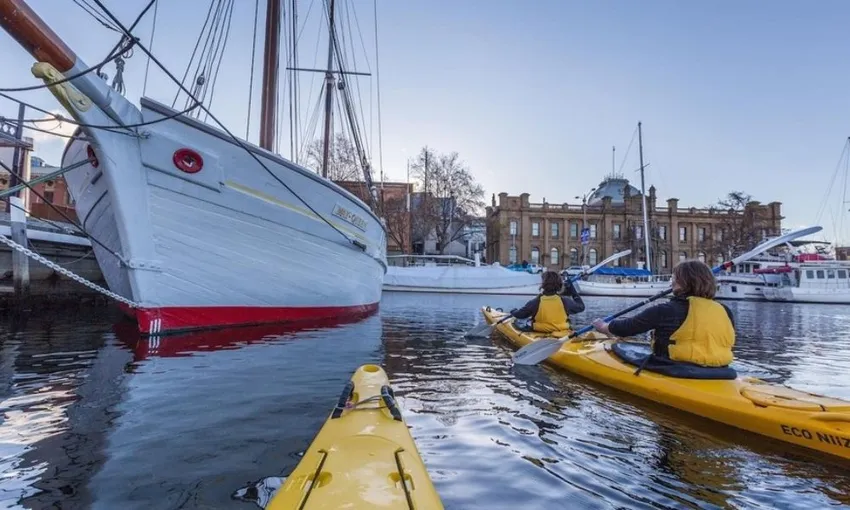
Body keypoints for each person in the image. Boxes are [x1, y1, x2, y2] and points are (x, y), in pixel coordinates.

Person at [591, 259, 735, 367]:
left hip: (676, 368)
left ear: (682, 282)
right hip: (721, 369)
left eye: (674, 278)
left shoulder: (666, 310)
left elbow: (627, 327)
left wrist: (603, 327)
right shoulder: (725, 310)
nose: (671, 282)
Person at [509, 271, 585, 334]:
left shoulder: (536, 302)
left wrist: (513, 311)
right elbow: (581, 307)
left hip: (539, 332)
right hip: (562, 333)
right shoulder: (565, 301)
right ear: (559, 285)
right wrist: (572, 289)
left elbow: (520, 315)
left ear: (543, 285)